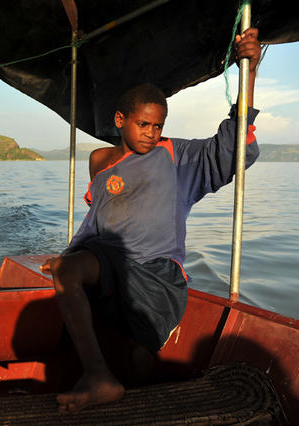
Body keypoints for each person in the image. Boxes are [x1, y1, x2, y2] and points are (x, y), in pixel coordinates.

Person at [41, 28, 262, 413]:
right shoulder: (100, 161)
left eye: (158, 125)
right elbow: (97, 219)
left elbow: (231, 145)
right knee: (66, 270)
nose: (152, 133)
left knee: (139, 360)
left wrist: (250, 72)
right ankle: (97, 376)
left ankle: (131, 400)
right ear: (120, 120)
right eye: (143, 125)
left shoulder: (175, 157)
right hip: (108, 259)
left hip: (156, 271)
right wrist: (72, 252)